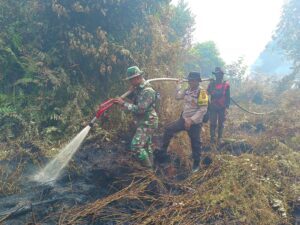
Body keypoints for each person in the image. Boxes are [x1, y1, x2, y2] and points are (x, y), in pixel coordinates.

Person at [156, 72, 207, 172]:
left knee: (195, 142)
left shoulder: (202, 92)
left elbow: (203, 110)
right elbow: (177, 97)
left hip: (195, 123)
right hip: (183, 119)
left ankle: (196, 163)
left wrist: (191, 120)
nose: (191, 82)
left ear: (197, 81)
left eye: (193, 80)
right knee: (168, 129)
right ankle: (163, 152)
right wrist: (178, 86)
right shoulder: (187, 90)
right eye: (190, 80)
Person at [114, 66, 158, 169]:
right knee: (146, 146)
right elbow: (137, 100)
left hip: (148, 121)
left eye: (131, 80)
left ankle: (148, 170)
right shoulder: (138, 89)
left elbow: (140, 109)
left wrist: (123, 103)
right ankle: (151, 166)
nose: (130, 82)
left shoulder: (148, 91)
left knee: (136, 146)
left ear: (137, 78)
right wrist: (129, 94)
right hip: (143, 121)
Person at [207, 67, 230, 145]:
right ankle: (212, 138)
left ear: (222, 75)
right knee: (212, 123)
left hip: (222, 107)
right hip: (213, 107)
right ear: (215, 75)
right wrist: (208, 106)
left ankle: (220, 138)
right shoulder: (211, 84)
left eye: (220, 74)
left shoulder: (226, 85)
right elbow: (207, 94)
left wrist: (227, 108)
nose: (219, 76)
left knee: (221, 123)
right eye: (217, 74)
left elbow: (228, 97)